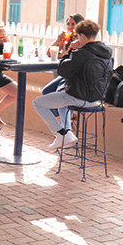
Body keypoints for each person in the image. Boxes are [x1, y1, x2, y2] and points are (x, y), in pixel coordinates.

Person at [32, 19, 113, 150]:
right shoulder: (107, 53)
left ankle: (61, 134)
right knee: (61, 97)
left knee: (37, 103)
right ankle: (67, 134)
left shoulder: (82, 53)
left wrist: (71, 50)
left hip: (79, 98)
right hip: (96, 99)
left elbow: (62, 70)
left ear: (82, 36)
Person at [42, 13, 86, 99]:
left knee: (49, 93)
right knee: (49, 93)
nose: (70, 27)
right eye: (68, 24)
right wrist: (58, 40)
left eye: (73, 24)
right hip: (62, 72)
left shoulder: (80, 41)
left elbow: (71, 56)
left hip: (73, 76)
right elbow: (49, 53)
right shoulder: (67, 38)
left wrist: (60, 55)